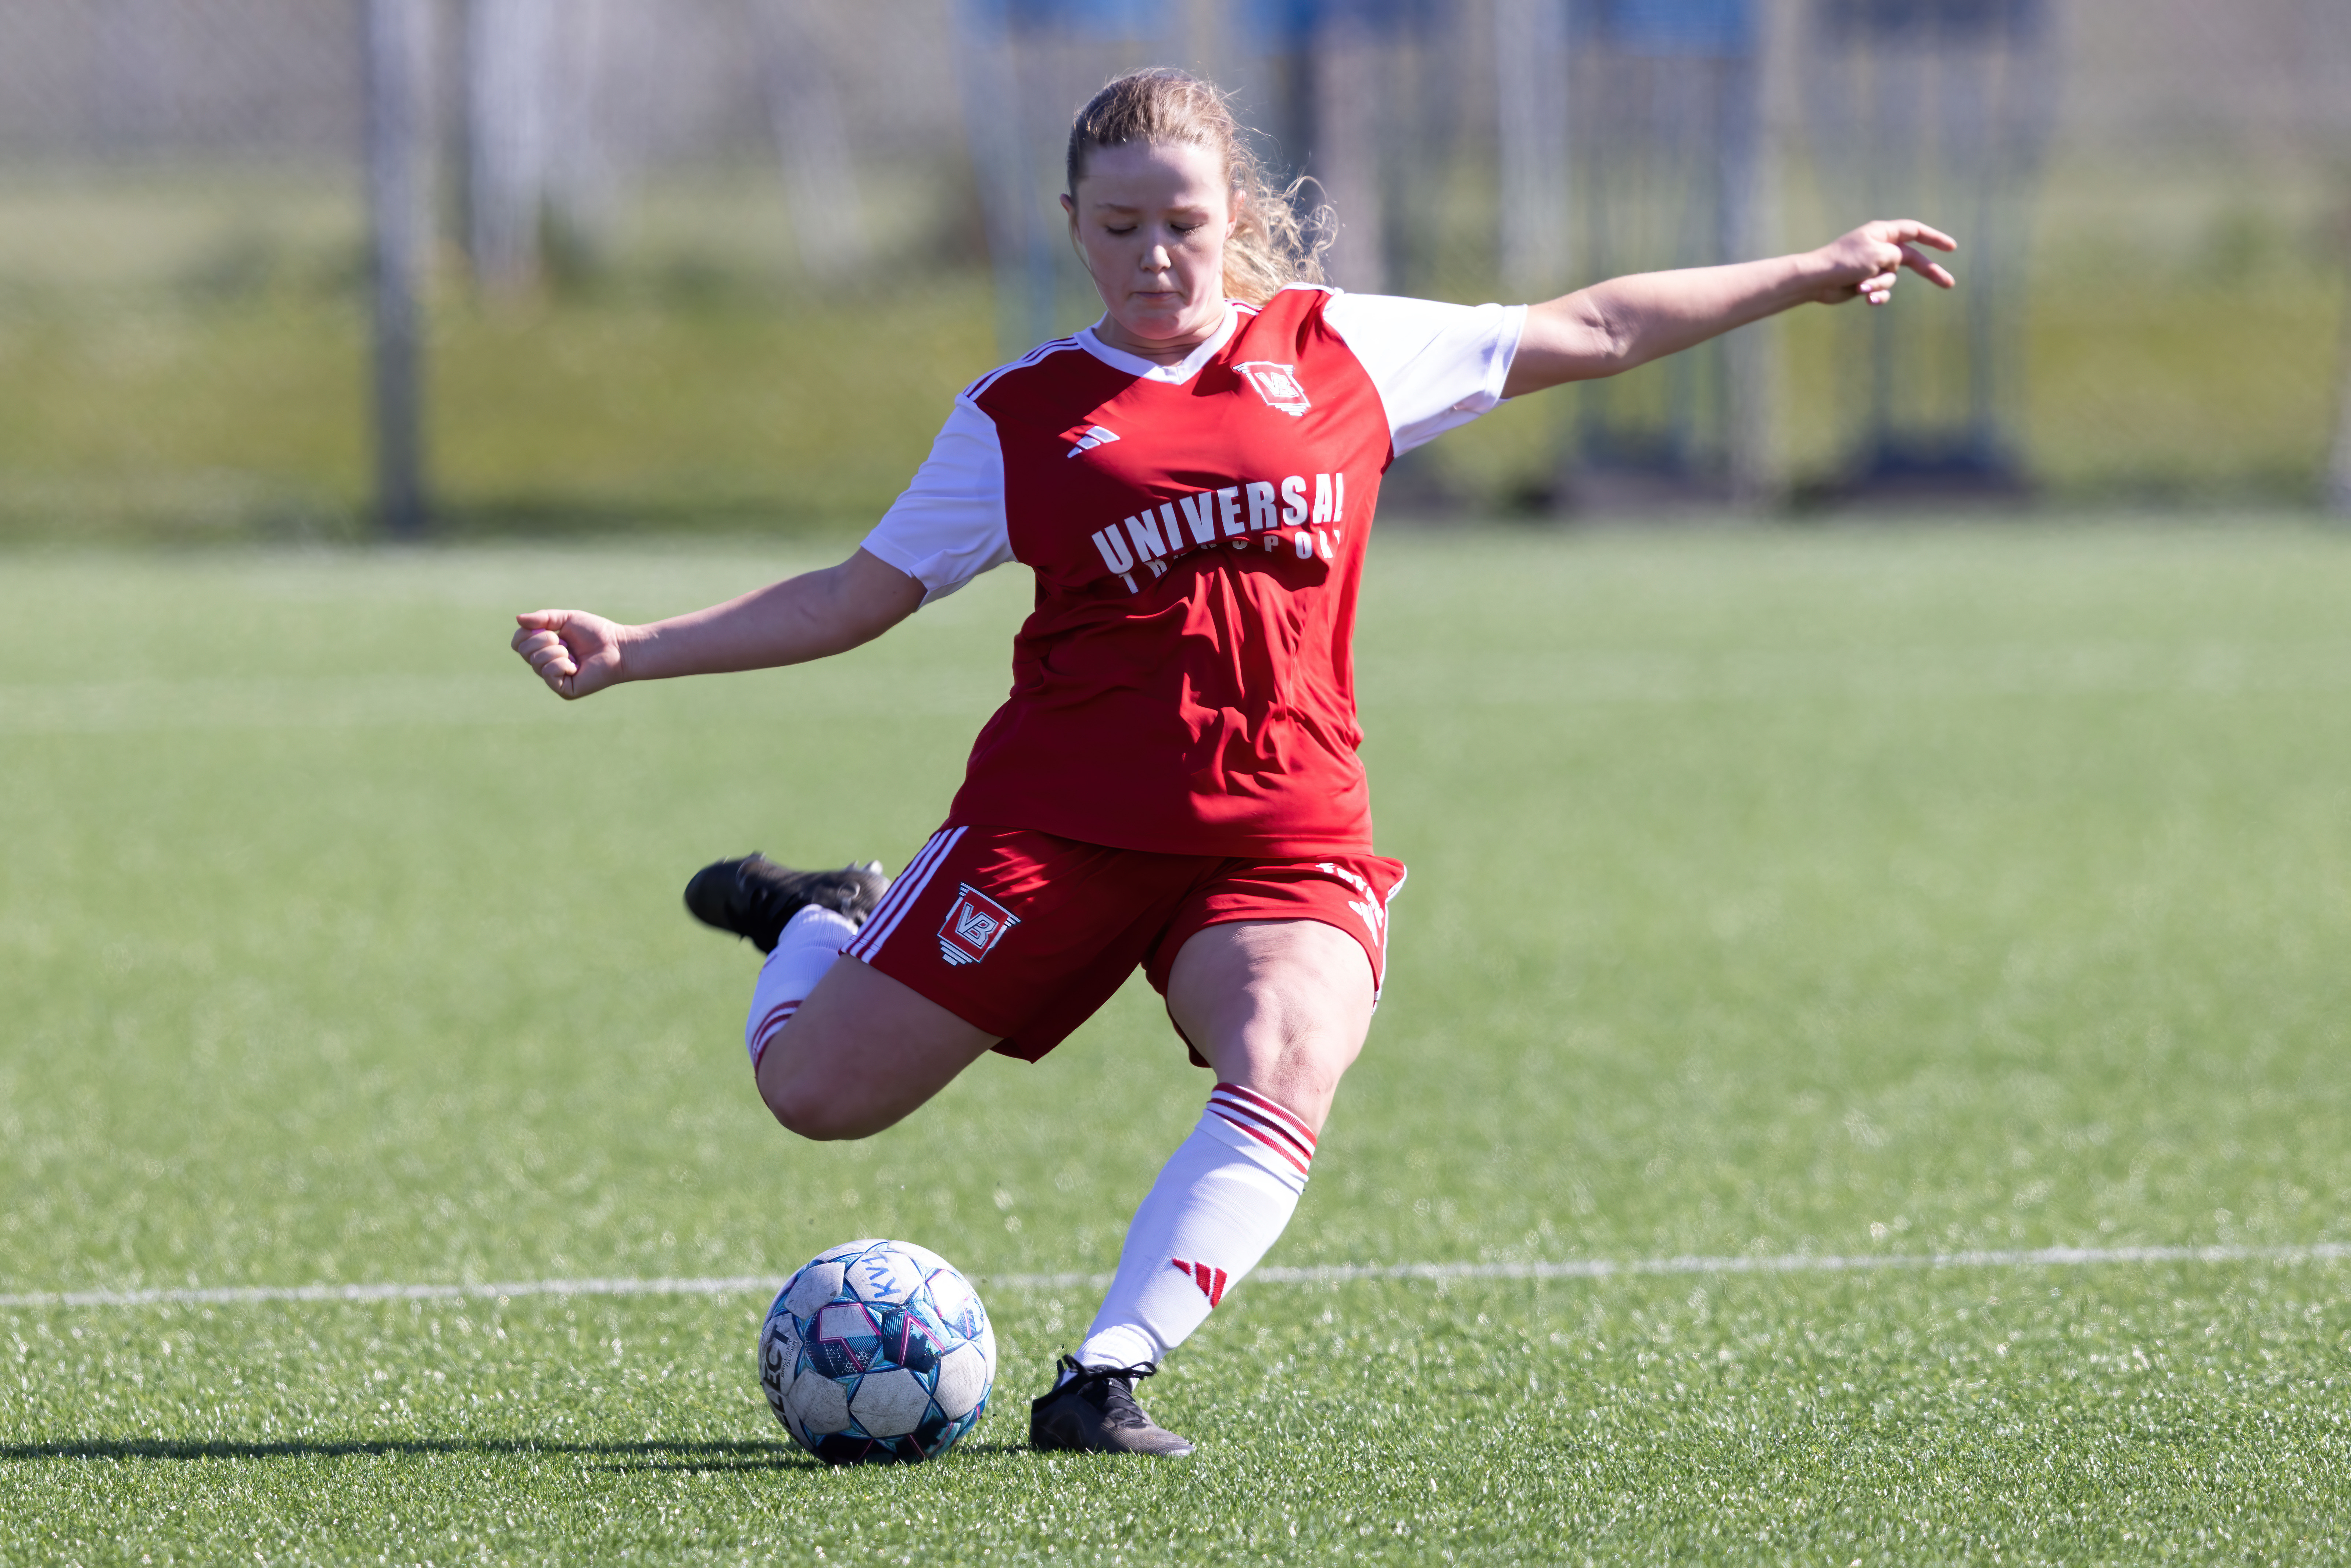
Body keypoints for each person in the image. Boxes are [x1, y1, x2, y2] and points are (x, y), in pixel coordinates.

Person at [511, 68, 1954, 1458]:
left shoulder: (1340, 352)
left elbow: (1592, 324)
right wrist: (638, 647)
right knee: (817, 1096)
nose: (1154, 255)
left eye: (1183, 222)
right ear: (1071, 224)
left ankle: (1103, 1374)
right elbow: (854, 595)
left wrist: (1809, 268)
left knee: (1287, 1051)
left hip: (1281, 833)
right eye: (1120, 225)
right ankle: (818, 921)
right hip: (1056, 827)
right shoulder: (1021, 417)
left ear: (1235, 214)